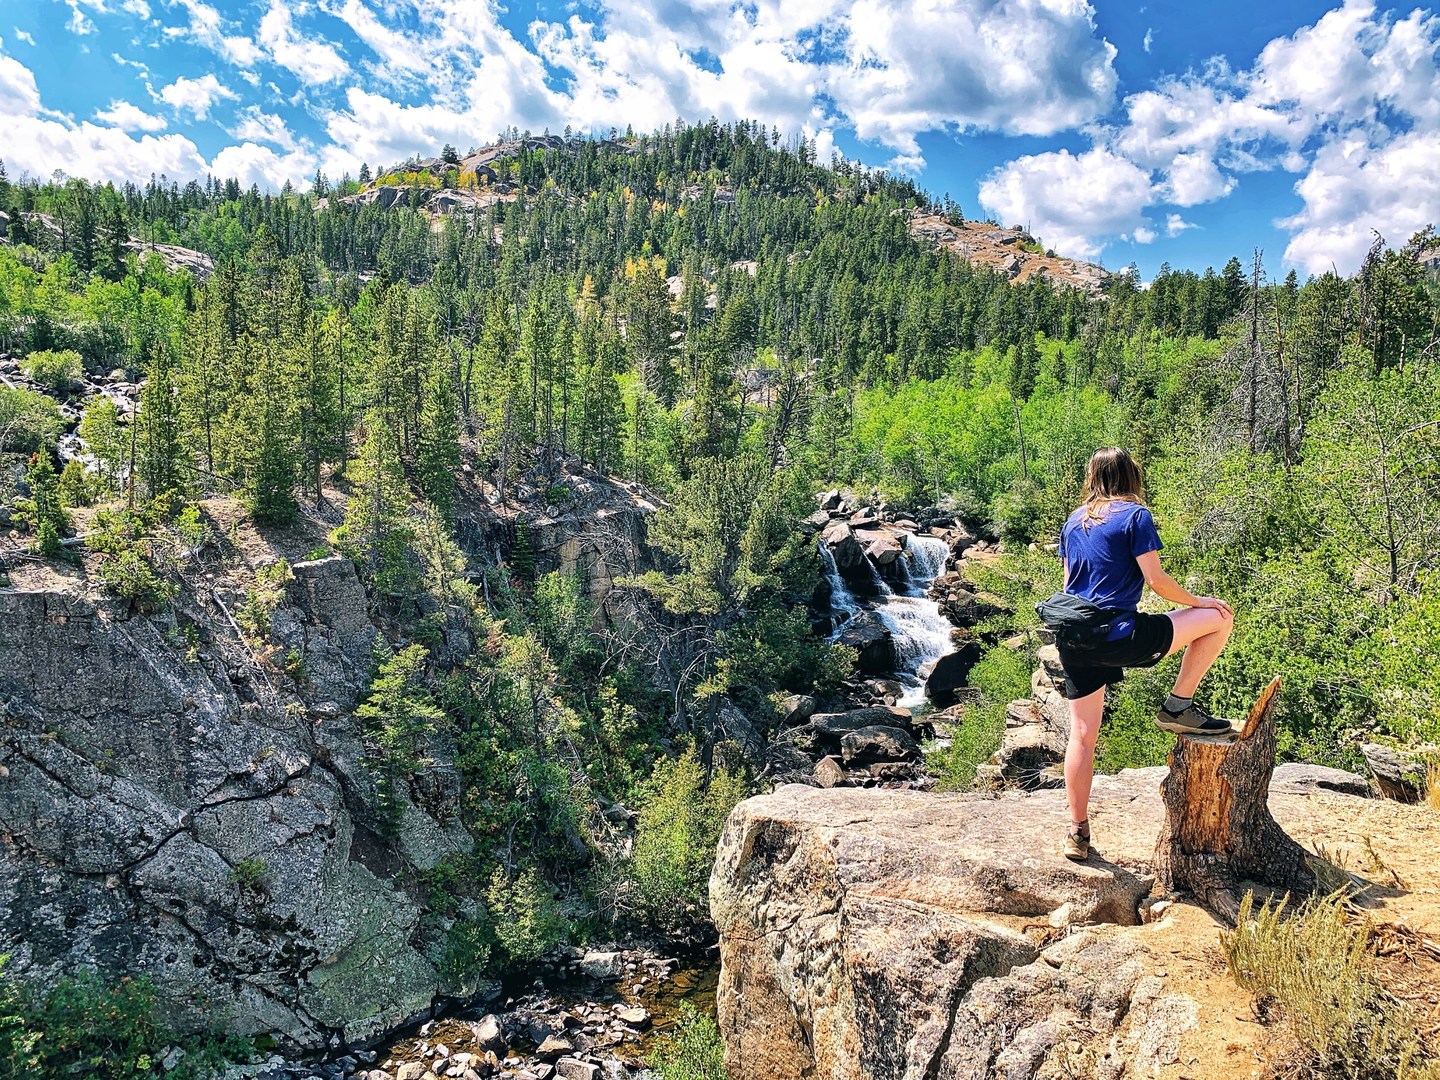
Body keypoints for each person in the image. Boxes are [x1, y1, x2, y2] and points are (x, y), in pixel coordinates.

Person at [1055, 447, 1234, 862]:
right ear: (1131, 476)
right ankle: (1178, 706)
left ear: (1093, 476)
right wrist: (1200, 601)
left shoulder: (1073, 521)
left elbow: (1070, 585)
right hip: (1120, 635)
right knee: (1219, 619)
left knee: (1082, 736)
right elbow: (1156, 581)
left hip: (1075, 636)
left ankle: (1076, 831)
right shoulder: (1136, 516)